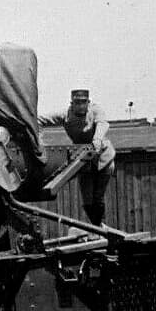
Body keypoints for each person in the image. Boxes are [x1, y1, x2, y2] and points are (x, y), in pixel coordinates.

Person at [38, 88, 116, 226]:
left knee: (98, 197)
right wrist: (37, 138)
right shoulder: (66, 115)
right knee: (87, 199)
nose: (80, 106)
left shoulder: (95, 110)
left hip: (103, 157)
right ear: (71, 103)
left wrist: (97, 139)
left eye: (83, 102)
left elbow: (102, 124)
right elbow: (39, 120)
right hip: (83, 160)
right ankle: (96, 227)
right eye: (77, 103)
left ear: (88, 102)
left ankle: (100, 226)